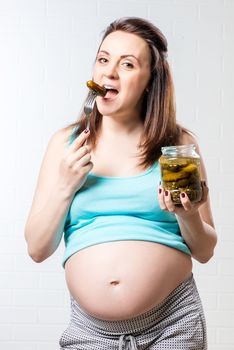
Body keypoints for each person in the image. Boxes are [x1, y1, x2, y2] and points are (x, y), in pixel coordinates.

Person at [25, 17, 217, 350]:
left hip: (173, 324)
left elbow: (205, 250)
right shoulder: (65, 145)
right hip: (90, 331)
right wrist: (64, 185)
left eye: (127, 64)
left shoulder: (177, 145)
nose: (109, 73)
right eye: (103, 59)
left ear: (149, 81)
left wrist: (187, 215)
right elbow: (37, 249)